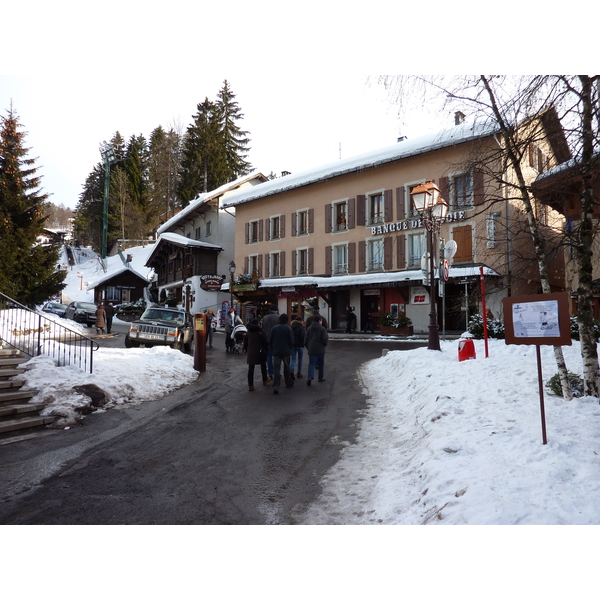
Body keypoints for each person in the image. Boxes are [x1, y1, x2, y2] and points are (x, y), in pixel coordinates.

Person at [269, 313, 294, 394]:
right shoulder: (288, 329)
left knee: (276, 368)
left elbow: (271, 340)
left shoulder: (274, 328)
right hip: (286, 351)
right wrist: (290, 347)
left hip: (276, 350)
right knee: (286, 368)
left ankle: (276, 386)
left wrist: (273, 348)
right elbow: (291, 340)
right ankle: (288, 382)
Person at [243, 318, 270, 391]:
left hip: (251, 351)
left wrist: (245, 349)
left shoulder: (249, 331)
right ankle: (265, 379)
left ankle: (250, 385)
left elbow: (245, 342)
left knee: (251, 369)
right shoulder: (261, 331)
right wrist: (266, 349)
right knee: (263, 365)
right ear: (258, 323)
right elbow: (265, 341)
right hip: (260, 351)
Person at [305, 315, 328, 386]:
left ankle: (310, 377)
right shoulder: (322, 329)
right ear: (319, 321)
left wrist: (308, 346)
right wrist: (324, 345)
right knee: (321, 364)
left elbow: (306, 339)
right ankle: (320, 377)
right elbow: (325, 339)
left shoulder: (309, 328)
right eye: (321, 321)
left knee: (311, 364)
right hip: (320, 348)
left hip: (311, 348)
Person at [260, 304, 279, 378]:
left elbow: (262, 328)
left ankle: (270, 372)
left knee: (269, 356)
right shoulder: (278, 317)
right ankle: (277, 372)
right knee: (277, 357)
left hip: (267, 339)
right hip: (276, 340)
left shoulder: (265, 317)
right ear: (276, 310)